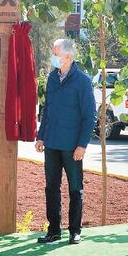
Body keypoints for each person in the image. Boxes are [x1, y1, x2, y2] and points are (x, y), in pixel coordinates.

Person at [35, 39, 96, 245]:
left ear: (68, 57)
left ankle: (74, 231)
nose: (52, 56)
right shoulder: (52, 78)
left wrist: (82, 145)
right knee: (51, 187)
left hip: (72, 147)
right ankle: (53, 231)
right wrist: (41, 135)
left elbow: (89, 116)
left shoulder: (83, 81)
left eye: (55, 53)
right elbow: (47, 110)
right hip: (51, 143)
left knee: (75, 188)